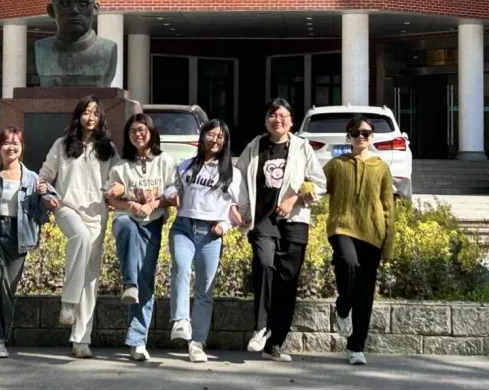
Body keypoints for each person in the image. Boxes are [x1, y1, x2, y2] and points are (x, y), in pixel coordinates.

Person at [235, 98, 325, 362]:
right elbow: (239, 179)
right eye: (273, 115)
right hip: (263, 221)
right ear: (266, 120)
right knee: (264, 266)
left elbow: (319, 183)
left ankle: (275, 344)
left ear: (292, 121)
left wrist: (294, 199)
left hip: (295, 222)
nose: (278, 120)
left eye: (283, 116)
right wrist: (241, 211)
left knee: (287, 281)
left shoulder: (302, 147)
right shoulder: (255, 146)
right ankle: (261, 327)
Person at [39, 95, 118, 359]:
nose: (90, 117)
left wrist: (117, 190)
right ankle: (68, 303)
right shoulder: (62, 145)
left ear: (100, 117)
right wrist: (45, 192)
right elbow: (45, 176)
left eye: (95, 113)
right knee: (80, 237)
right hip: (67, 208)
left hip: (97, 215)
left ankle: (81, 340)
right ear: (78, 116)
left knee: (90, 277)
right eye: (86, 112)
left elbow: (118, 179)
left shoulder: (108, 149)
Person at [0, 127, 56, 358]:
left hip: (19, 235)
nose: (11, 147)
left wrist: (46, 197)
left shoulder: (33, 178)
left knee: (7, 290)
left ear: (21, 147)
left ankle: (0, 339)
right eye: (6, 143)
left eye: (15, 143)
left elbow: (49, 203)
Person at [103, 113, 180, 362]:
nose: (138, 134)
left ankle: (137, 341)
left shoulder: (164, 161)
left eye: (142, 130)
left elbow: (173, 192)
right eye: (133, 131)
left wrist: (153, 204)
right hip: (127, 219)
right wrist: (130, 204)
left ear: (151, 132)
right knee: (125, 226)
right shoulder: (121, 165)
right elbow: (109, 198)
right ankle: (129, 283)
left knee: (145, 279)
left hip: (152, 223)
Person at [164, 119, 242, 363]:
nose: (215, 140)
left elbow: (240, 207)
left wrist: (225, 225)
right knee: (181, 268)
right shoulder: (186, 166)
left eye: (221, 136)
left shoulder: (231, 173)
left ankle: (197, 342)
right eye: (211, 134)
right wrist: (172, 194)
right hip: (183, 227)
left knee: (204, 290)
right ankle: (181, 321)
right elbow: (168, 189)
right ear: (202, 136)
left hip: (211, 234)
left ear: (225, 141)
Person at [324, 115, 396, 366]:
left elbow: (388, 206)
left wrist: (389, 243)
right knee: (347, 263)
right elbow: (317, 182)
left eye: (365, 133)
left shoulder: (381, 167)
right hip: (342, 226)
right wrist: (306, 189)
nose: (361, 137)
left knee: (365, 292)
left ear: (371, 137)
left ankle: (356, 347)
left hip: (373, 234)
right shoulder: (336, 164)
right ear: (349, 137)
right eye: (356, 133)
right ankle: (343, 307)